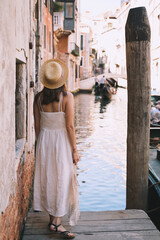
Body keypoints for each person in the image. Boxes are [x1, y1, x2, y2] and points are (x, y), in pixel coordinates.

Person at [33, 59, 80, 239]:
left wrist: (42, 143)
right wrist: (75, 149)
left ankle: (53, 220)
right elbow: (70, 127)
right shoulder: (67, 97)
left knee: (50, 178)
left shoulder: (38, 98)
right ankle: (57, 223)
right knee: (62, 178)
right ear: (61, 79)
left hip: (44, 140)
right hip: (61, 142)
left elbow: (37, 126)